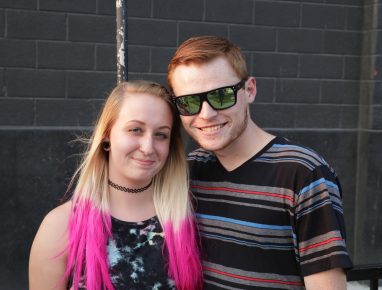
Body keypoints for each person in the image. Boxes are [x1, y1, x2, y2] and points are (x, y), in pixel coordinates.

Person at [167, 36, 353, 290]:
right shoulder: (189, 172)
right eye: (189, 102)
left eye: (221, 96)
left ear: (250, 90)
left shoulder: (304, 173)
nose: (206, 114)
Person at [29, 80, 203, 290]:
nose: (148, 147)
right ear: (107, 136)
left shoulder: (186, 221)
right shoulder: (60, 227)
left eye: (161, 134)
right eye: (135, 129)